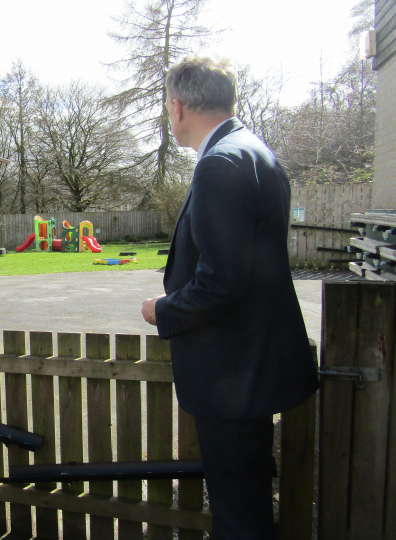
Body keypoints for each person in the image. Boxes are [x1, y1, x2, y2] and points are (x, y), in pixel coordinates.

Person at [141, 57, 319, 539]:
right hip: (253, 368)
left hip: (233, 375)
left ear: (177, 107)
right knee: (248, 499)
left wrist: (164, 310)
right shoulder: (255, 151)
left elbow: (221, 281)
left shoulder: (220, 164)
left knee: (239, 513)